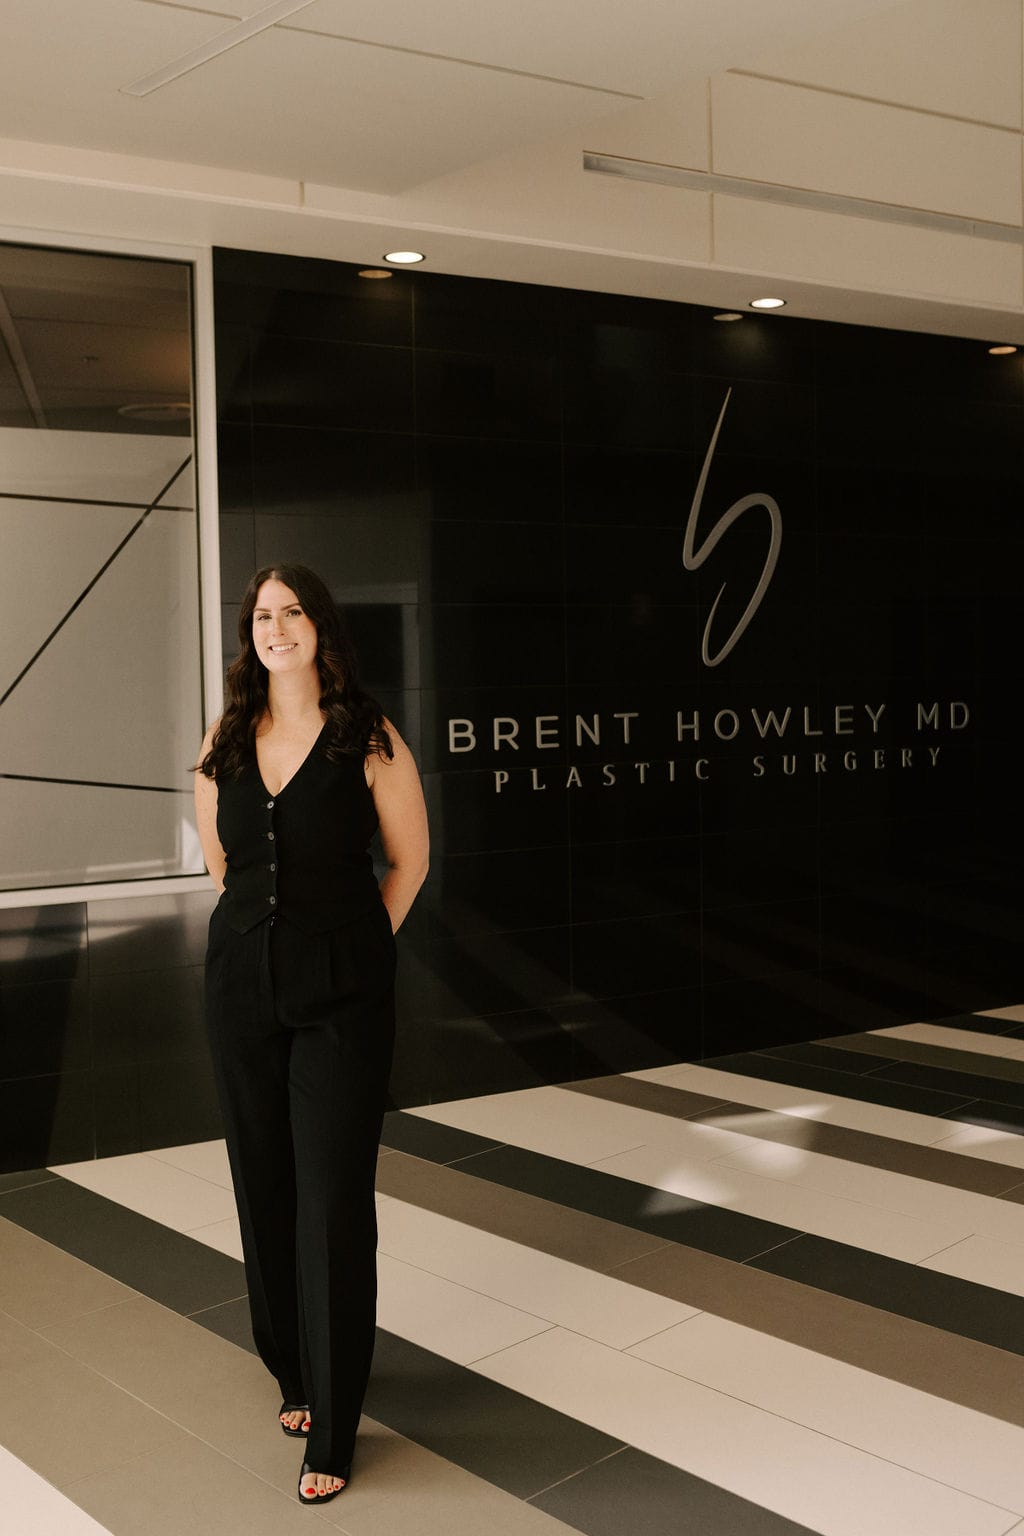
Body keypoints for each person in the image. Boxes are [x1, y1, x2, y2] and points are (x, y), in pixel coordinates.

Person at [194, 563, 428, 1505]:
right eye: (263, 615)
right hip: (239, 990)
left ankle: (333, 1423)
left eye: (292, 612)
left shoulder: (367, 736)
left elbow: (409, 862)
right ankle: (292, 1372)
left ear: (320, 628)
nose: (277, 628)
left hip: (342, 999)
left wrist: (353, 950)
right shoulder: (224, 738)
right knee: (264, 1184)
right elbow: (222, 864)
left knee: (331, 1201)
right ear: (249, 633)